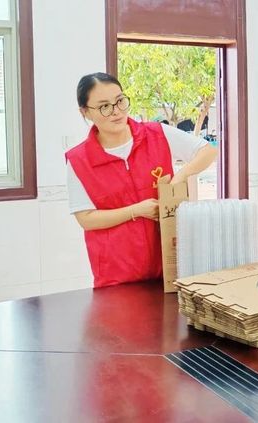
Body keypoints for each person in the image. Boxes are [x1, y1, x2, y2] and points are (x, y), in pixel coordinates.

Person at [66, 72, 218, 287]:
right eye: (104, 106)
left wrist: (181, 176)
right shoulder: (79, 160)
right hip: (116, 275)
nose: (116, 111)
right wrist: (136, 211)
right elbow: (86, 218)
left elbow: (208, 151)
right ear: (85, 112)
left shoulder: (157, 134)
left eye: (120, 101)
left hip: (168, 266)